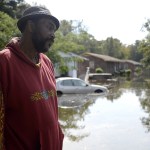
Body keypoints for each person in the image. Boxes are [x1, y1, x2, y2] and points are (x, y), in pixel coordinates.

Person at [0, 6, 64, 150]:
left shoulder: (47, 62)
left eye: (54, 30)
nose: (53, 34)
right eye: (49, 27)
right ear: (31, 26)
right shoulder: (4, 62)